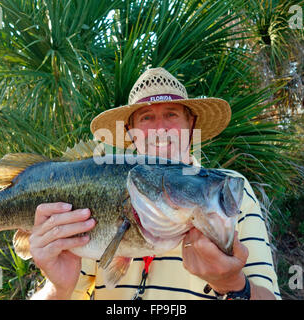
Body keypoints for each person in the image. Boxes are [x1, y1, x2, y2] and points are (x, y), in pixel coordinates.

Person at [29, 68, 280, 300]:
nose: (160, 129)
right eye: (147, 118)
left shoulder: (228, 191)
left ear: (190, 125)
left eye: (171, 114)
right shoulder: (97, 189)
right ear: (131, 131)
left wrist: (235, 285)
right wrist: (57, 288)